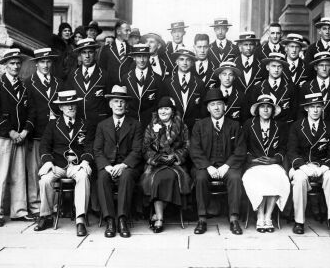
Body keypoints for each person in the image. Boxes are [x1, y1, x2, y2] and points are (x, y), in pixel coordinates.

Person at [35, 90, 93, 236]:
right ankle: (46, 215)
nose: (71, 107)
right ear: (61, 107)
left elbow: (89, 146)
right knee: (45, 180)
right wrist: (48, 162)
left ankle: (80, 219)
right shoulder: (53, 125)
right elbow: (44, 146)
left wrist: (85, 161)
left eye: (73, 104)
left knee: (83, 177)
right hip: (58, 165)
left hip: (77, 165)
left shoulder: (85, 123)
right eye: (66, 105)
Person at [190, 88, 246, 235]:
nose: (216, 107)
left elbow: (240, 150)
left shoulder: (234, 125)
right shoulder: (200, 125)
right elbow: (195, 150)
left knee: (235, 178)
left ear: (225, 106)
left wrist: (226, 166)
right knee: (200, 177)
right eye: (213, 104)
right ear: (208, 108)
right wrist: (208, 167)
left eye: (219, 104)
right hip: (206, 165)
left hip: (228, 165)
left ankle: (234, 218)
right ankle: (202, 219)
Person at [287, 93, 330, 238]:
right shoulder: (296, 126)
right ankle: (299, 221)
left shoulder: (329, 127)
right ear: (306, 108)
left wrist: (323, 168)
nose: (316, 110)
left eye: (318, 107)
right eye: (312, 107)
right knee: (299, 179)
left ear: (323, 108)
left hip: (322, 167)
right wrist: (304, 167)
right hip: (301, 166)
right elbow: (291, 152)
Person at [0, 49, 34, 227]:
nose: (16, 66)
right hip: (1, 135)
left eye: (18, 63)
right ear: (5, 66)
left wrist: (25, 131)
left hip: (20, 136)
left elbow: (32, 111)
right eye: (12, 63)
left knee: (18, 175)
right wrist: (10, 131)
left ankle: (19, 211)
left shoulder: (24, 86)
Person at [94, 85, 143, 238]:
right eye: (116, 101)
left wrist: (123, 165)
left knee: (127, 176)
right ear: (110, 104)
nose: (119, 105)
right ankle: (110, 220)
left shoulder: (135, 124)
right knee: (102, 177)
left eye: (122, 102)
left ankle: (122, 219)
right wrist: (107, 167)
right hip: (108, 165)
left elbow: (137, 150)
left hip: (127, 165)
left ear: (126, 105)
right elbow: (97, 150)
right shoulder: (102, 125)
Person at [141, 96, 191, 233]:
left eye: (167, 108)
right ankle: (160, 218)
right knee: (158, 179)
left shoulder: (182, 126)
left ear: (172, 111)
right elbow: (145, 149)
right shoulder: (151, 127)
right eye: (161, 109)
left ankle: (158, 216)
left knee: (171, 177)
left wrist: (175, 156)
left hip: (176, 164)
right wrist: (158, 158)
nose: (163, 111)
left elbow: (187, 146)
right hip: (157, 164)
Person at [242, 94, 290, 233]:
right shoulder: (248, 125)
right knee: (258, 178)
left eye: (268, 107)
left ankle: (268, 216)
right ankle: (259, 215)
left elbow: (283, 147)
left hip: (273, 163)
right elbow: (242, 146)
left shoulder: (280, 126)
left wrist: (275, 159)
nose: (265, 110)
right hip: (254, 164)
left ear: (273, 110)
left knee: (278, 176)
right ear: (257, 110)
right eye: (262, 107)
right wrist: (252, 159)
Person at [25, 48, 63, 218]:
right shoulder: (28, 83)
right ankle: (35, 206)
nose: (46, 65)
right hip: (37, 132)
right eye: (42, 62)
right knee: (35, 170)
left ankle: (53, 205)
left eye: (48, 62)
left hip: (56, 134)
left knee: (52, 169)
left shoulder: (59, 83)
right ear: (36, 63)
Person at [65, 38, 111, 132]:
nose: (87, 56)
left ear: (95, 54)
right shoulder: (73, 75)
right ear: (79, 56)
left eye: (90, 52)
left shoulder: (105, 75)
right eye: (84, 52)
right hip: (78, 125)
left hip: (99, 126)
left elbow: (110, 103)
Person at [121, 44, 164, 130]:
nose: (141, 60)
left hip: (150, 123)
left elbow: (159, 102)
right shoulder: (126, 78)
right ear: (134, 58)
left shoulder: (157, 78)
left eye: (144, 56)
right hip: (130, 122)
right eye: (138, 56)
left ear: (148, 57)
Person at [163, 48, 206, 133]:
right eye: (181, 59)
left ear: (192, 63)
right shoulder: (167, 82)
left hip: (193, 128)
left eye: (188, 60)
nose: (185, 63)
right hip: (172, 127)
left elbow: (203, 107)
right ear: (176, 61)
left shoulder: (199, 83)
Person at [250, 53, 297, 125]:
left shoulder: (291, 87)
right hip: (265, 127)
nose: (276, 69)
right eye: (273, 66)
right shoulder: (258, 87)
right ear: (267, 67)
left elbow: (295, 111)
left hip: (286, 127)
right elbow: (254, 111)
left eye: (279, 66)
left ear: (283, 68)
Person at [300, 51, 330, 125]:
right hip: (313, 129)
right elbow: (301, 112)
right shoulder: (306, 87)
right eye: (321, 65)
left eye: (327, 65)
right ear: (315, 67)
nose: (324, 68)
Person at [98, 20, 134, 86]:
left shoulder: (132, 49)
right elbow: (101, 70)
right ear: (118, 31)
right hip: (110, 90)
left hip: (128, 90)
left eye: (129, 31)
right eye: (126, 30)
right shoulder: (107, 49)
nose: (129, 33)